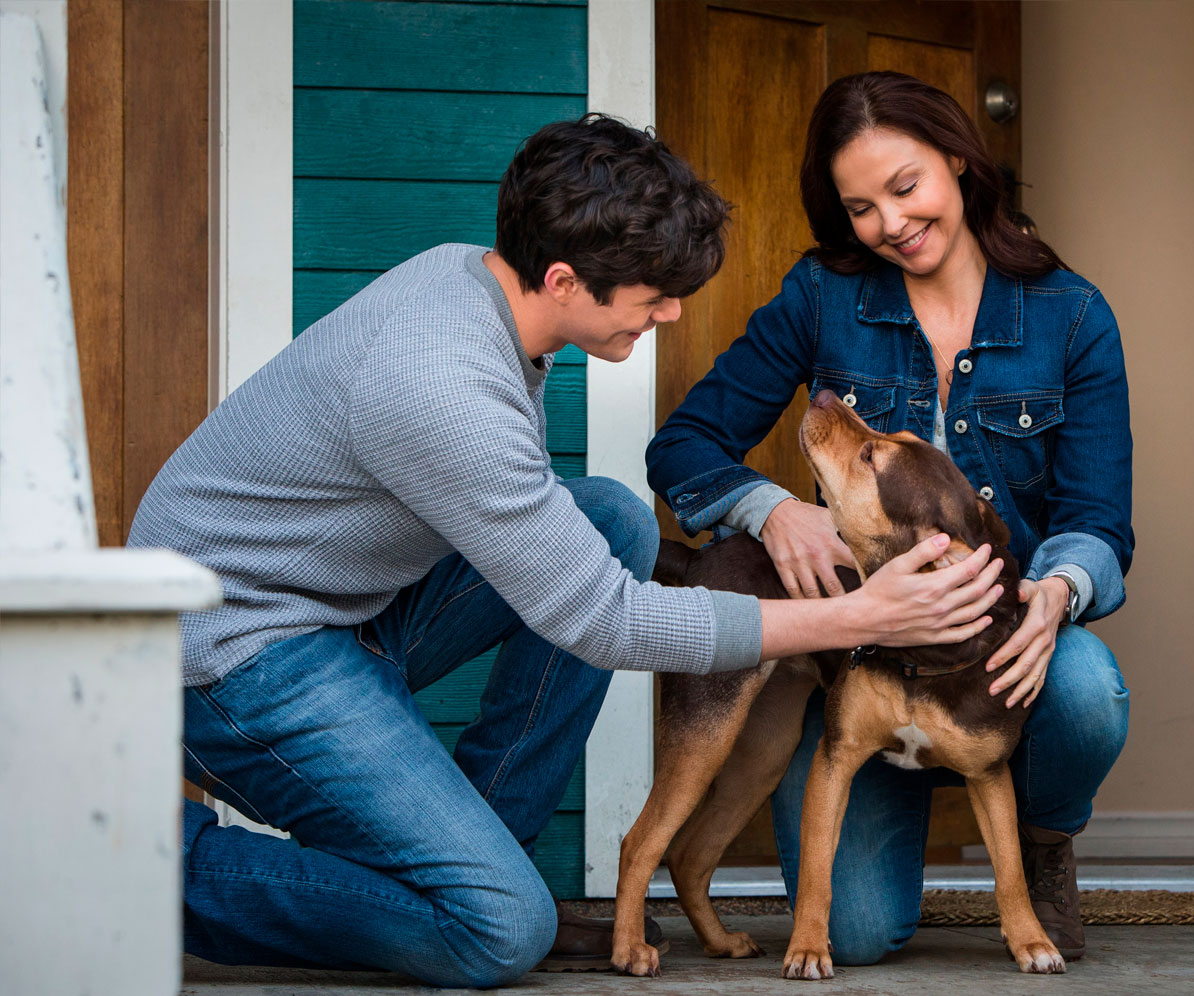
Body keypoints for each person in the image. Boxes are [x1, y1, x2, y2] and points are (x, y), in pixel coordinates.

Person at [129, 114, 1009, 987]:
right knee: (500, 930)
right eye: (654, 294)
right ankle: (157, 878)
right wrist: (850, 616)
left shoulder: (469, 279)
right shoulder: (443, 388)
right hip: (236, 652)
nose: (668, 313)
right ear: (562, 278)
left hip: (340, 604)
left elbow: (568, 561)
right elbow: (603, 621)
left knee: (612, 522)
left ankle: (471, 855)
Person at [646, 73, 1134, 964]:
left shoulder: (1073, 316)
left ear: (957, 157)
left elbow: (1100, 519)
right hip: (864, 658)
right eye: (860, 206)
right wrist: (768, 507)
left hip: (988, 649)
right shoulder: (822, 295)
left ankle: (1042, 839)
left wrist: (1058, 592)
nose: (891, 224)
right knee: (860, 937)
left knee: (1087, 689)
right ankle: (869, 771)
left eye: (905, 188)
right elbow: (683, 446)